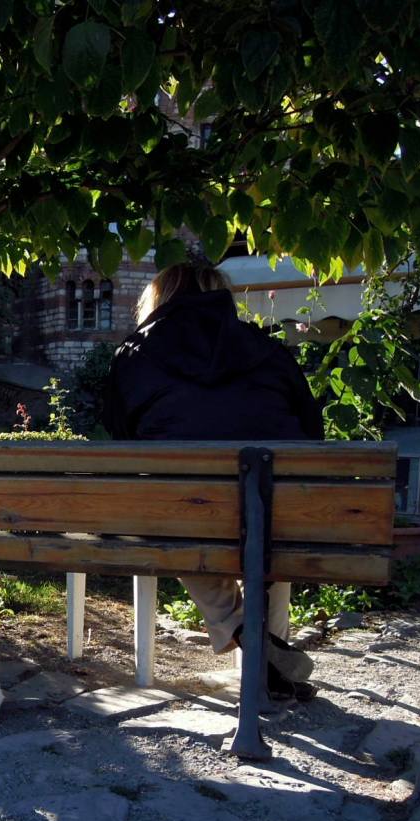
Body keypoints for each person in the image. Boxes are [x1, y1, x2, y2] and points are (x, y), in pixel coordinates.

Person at [102, 261, 322, 700]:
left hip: (186, 514)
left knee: (177, 521)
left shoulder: (134, 354)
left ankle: (243, 633)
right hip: (275, 509)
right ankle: (266, 668)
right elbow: (312, 432)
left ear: (159, 298)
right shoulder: (266, 350)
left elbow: (118, 431)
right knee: (268, 534)